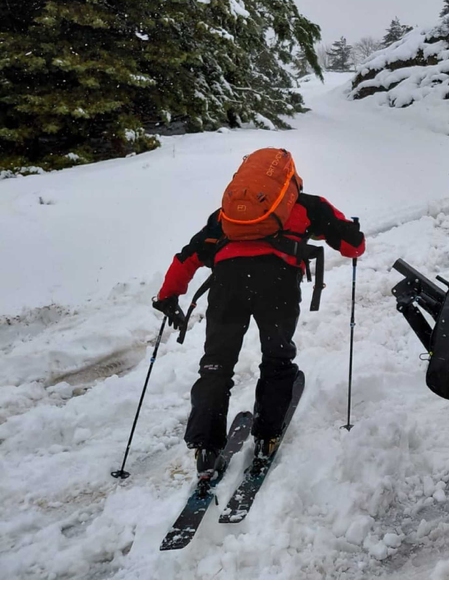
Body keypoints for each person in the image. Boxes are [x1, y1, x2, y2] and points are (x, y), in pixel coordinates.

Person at [152, 160, 365, 481]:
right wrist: (353, 233)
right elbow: (353, 246)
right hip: (278, 285)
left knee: (216, 365)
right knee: (277, 356)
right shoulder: (306, 206)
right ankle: (267, 437)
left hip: (227, 285)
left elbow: (189, 255)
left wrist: (168, 295)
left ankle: (206, 448)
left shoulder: (227, 216)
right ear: (291, 181)